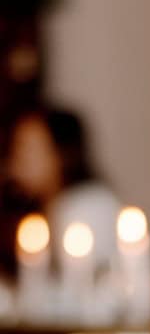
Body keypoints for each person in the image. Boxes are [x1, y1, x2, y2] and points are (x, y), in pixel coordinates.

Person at [4, 106, 120, 268]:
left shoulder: (87, 207)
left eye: (26, 147)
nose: (16, 159)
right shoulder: (45, 207)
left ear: (61, 154)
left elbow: (87, 283)